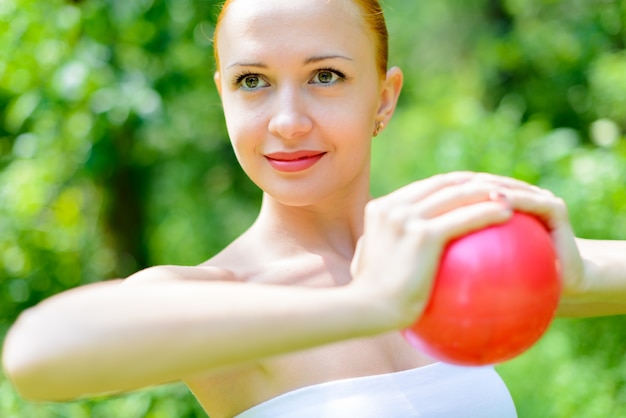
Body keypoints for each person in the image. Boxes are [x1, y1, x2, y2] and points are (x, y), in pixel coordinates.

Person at [3, 0, 626, 416]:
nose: (288, 121)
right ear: (223, 95)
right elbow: (35, 356)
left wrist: (582, 276)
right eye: (252, 81)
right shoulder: (225, 292)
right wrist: (364, 305)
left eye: (325, 76)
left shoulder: (440, 252)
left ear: (384, 99)